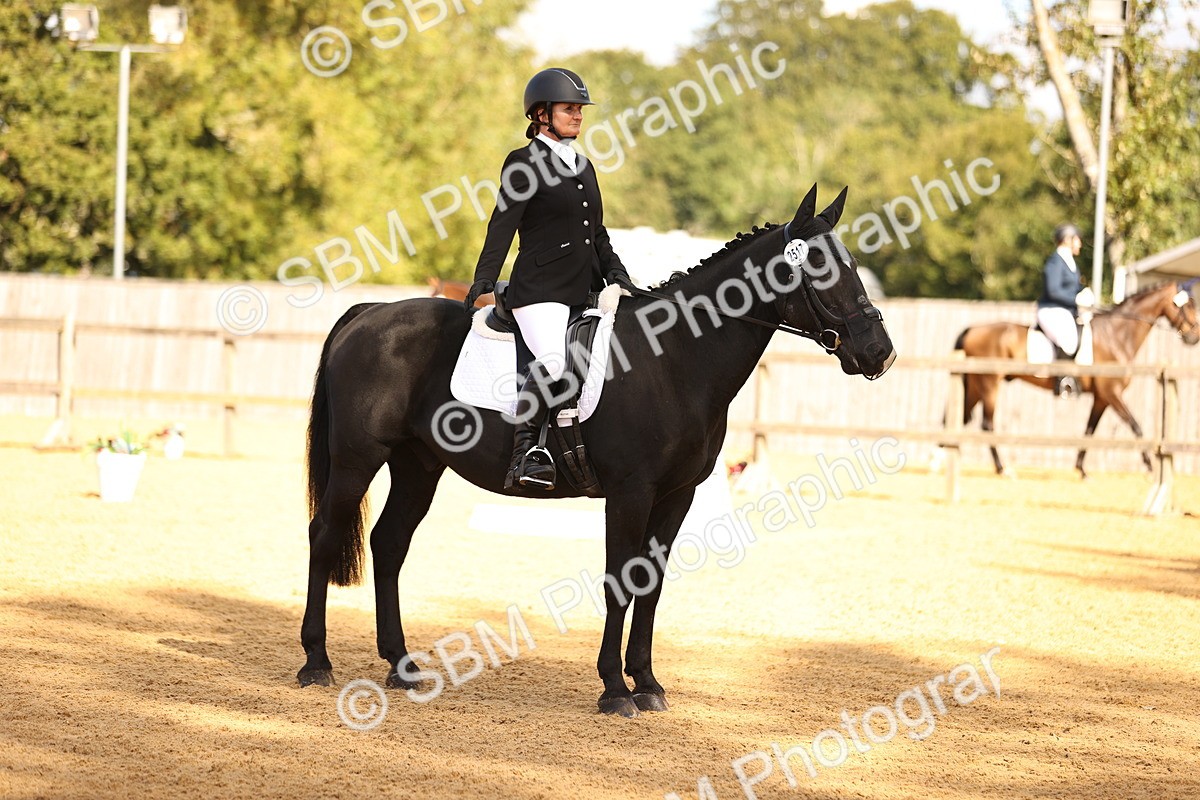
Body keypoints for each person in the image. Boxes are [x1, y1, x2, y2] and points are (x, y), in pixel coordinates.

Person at [464, 68, 634, 492]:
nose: (578, 116)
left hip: (583, 289)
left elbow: (596, 233)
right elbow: (501, 226)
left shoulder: (583, 165)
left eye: (580, 110)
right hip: (540, 291)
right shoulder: (522, 163)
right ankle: (527, 454)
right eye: (569, 109)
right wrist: (484, 280)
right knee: (555, 364)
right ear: (542, 114)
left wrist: (618, 275)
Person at [1036, 223, 1093, 397]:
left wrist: (1084, 294)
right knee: (1069, 340)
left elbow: (1071, 288)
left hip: (1066, 311)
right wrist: (1075, 299)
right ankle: (1063, 379)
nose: (1080, 244)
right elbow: (1053, 291)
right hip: (1052, 310)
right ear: (1067, 240)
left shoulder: (1070, 262)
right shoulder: (1055, 261)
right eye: (1077, 240)